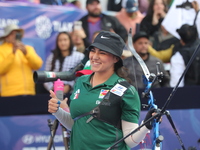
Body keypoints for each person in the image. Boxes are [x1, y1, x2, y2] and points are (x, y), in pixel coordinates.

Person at [48, 31, 156, 149]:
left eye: (102, 53)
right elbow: (77, 124)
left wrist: (146, 126)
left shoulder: (127, 91)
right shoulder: (81, 81)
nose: (94, 56)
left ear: (115, 58)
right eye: (93, 50)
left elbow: (130, 140)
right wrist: (57, 111)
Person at [0, 24, 43, 97]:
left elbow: (38, 65)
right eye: (11, 34)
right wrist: (12, 54)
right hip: (9, 93)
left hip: (29, 92)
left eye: (17, 33)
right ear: (6, 37)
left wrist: (26, 53)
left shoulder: (28, 49)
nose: (15, 36)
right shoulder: (1, 50)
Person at [43, 31, 84, 97]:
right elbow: (46, 76)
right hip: (54, 93)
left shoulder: (79, 56)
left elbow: (81, 75)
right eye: (60, 40)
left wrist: (69, 86)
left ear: (70, 41)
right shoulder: (51, 57)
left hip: (74, 93)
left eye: (65, 40)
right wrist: (52, 88)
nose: (63, 43)